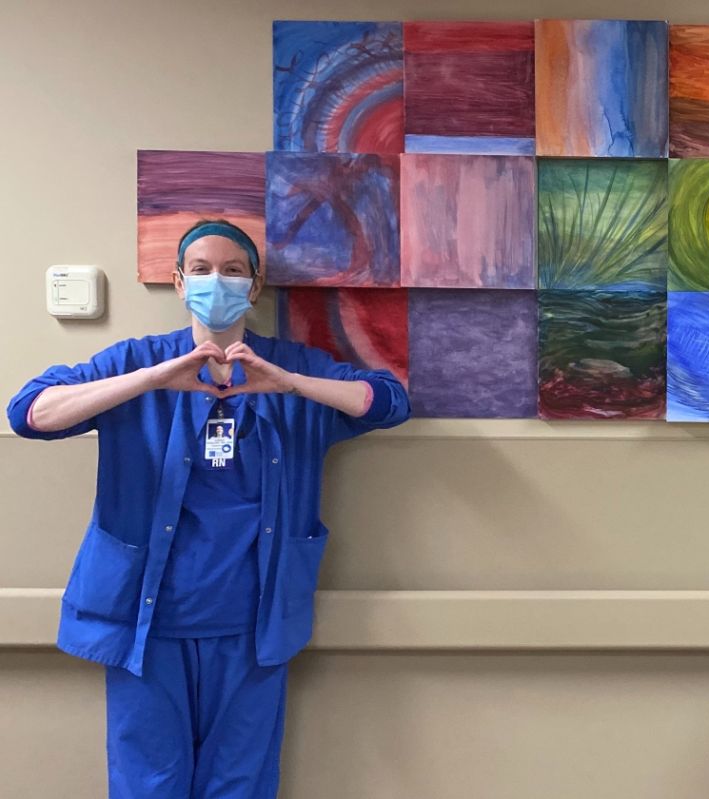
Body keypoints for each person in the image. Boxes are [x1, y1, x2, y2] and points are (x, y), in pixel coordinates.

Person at [6, 219, 410, 798]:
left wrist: (291, 384)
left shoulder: (291, 369)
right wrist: (150, 380)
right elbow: (30, 413)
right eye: (200, 270)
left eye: (232, 269)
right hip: (145, 624)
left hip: (254, 626)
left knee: (239, 786)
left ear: (254, 284)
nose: (215, 281)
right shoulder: (139, 361)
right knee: (150, 785)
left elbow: (388, 403)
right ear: (177, 282)